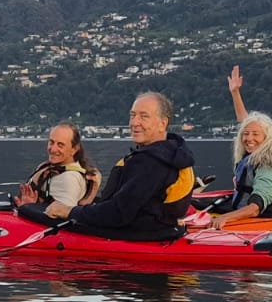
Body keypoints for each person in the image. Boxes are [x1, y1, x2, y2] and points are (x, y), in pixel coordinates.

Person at [40, 92, 196, 240]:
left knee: (33, 212)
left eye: (144, 116)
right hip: (158, 228)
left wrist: (69, 211)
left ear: (163, 123)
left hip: (138, 234)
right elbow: (130, 202)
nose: (134, 122)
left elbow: (118, 213)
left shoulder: (152, 163)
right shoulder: (168, 153)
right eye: (132, 115)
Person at [204, 66, 272, 229]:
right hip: (254, 212)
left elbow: (255, 208)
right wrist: (235, 92)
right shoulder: (265, 144)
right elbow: (246, 122)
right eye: (246, 134)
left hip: (265, 219)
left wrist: (226, 218)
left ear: (267, 137)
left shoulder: (270, 163)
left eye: (255, 134)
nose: (249, 138)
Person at [14, 123, 101, 209]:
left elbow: (64, 216)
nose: (53, 149)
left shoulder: (69, 179)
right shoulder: (46, 167)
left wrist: (28, 209)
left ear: (74, 149)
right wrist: (29, 205)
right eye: (51, 142)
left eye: (60, 145)